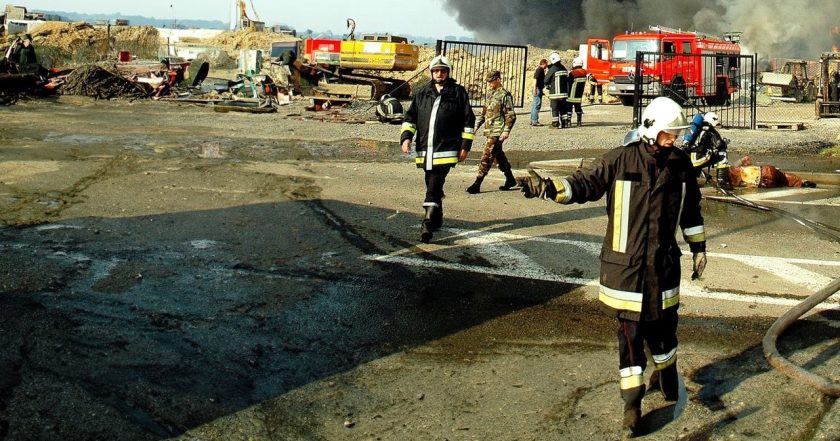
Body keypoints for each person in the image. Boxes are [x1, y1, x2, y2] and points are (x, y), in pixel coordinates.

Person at [518, 96, 707, 437]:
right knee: (630, 338)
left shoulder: (680, 165)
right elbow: (582, 183)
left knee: (665, 330)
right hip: (626, 271)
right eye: (669, 134)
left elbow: (691, 211)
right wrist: (547, 188)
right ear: (651, 130)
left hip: (663, 268)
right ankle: (632, 406)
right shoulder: (619, 161)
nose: (674, 140)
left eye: (676, 135)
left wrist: (699, 247)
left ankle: (666, 373)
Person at [400, 55, 475, 243]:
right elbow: (410, 118)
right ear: (431, 73)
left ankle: (427, 223)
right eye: (436, 71)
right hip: (425, 150)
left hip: (446, 149)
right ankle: (438, 214)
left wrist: (465, 146)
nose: (439, 74)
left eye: (442, 71)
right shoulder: (422, 93)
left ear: (448, 72)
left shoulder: (458, 92)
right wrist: (406, 138)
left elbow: (468, 121)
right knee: (431, 182)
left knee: (434, 184)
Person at [466, 70, 517, 194]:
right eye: (488, 81)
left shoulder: (504, 95)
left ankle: (477, 183)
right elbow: (484, 114)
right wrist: (475, 127)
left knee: (487, 156)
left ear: (498, 79)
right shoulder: (489, 94)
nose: (489, 83)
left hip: (497, 132)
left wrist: (506, 130)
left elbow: (511, 115)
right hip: (489, 130)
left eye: (491, 80)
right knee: (498, 156)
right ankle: (510, 179)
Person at [545, 52, 570, 128]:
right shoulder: (564, 68)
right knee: (563, 109)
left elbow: (546, 80)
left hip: (555, 94)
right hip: (564, 93)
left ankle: (555, 124)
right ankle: (565, 123)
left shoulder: (553, 69)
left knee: (555, 109)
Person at [567, 57, 588, 127]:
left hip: (571, 94)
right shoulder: (584, 72)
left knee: (569, 108)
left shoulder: (573, 73)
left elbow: (569, 83)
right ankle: (579, 122)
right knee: (578, 107)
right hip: (579, 95)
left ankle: (568, 122)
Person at [530, 58, 548, 126]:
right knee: (537, 105)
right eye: (547, 63)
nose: (547, 65)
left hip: (538, 88)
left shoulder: (541, 70)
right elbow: (535, 79)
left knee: (535, 105)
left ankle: (532, 120)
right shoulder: (539, 70)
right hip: (537, 88)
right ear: (544, 63)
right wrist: (535, 89)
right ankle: (535, 121)